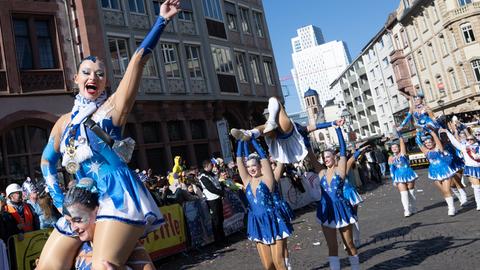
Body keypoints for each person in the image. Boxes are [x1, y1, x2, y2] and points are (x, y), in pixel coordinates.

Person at [37, 1, 180, 269]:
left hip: (115, 194)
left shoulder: (111, 111)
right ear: (76, 79)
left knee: (103, 266)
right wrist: (58, 200)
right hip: (81, 200)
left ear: (105, 82)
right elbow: (47, 161)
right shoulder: (63, 123)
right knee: (48, 265)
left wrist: (161, 21)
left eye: (101, 74)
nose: (94, 77)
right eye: (87, 72)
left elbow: (138, 60)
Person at [63, 178, 155, 270]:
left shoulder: (126, 245)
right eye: (69, 222)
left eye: (78, 220)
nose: (73, 228)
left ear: (97, 212)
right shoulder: (76, 248)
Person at [308, 119, 359, 270]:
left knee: (349, 244)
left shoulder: (340, 170)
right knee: (332, 246)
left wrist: (337, 129)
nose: (326, 160)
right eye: (324, 158)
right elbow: (311, 156)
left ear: (334, 158)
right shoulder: (322, 172)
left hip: (341, 209)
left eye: (328, 157)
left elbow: (343, 151)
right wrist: (305, 139)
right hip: (326, 210)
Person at [235, 138, 292, 270]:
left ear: (260, 165)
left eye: (253, 165)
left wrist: (252, 138)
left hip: (273, 221)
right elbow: (239, 162)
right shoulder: (247, 181)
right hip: (257, 223)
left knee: (279, 262)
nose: (250, 169)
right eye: (248, 166)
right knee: (268, 265)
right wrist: (240, 141)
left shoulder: (267, 179)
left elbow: (264, 157)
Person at [416, 130, 457, 216]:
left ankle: (451, 208)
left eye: (430, 142)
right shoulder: (426, 151)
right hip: (434, 172)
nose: (428, 144)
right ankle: (452, 204)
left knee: (446, 190)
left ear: (433, 142)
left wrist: (430, 131)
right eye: (426, 143)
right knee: (443, 191)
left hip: (445, 170)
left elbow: (436, 138)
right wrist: (418, 133)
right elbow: (419, 142)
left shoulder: (439, 148)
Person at [442, 127, 480, 210]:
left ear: (475, 139)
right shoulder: (464, 147)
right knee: (477, 187)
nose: (469, 141)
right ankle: (478, 204)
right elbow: (455, 142)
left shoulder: (479, 146)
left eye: (471, 139)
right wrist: (448, 132)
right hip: (471, 168)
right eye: (468, 139)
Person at [388, 131, 418, 217]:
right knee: (403, 193)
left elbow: (402, 145)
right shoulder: (390, 157)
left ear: (399, 148)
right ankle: (406, 210)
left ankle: (413, 207)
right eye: (392, 147)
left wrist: (400, 136)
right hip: (398, 176)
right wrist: (393, 180)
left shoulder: (402, 154)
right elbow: (391, 169)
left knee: (411, 193)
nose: (394, 148)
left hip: (408, 173)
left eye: (396, 147)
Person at [199, 159, 226, 246]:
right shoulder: (203, 177)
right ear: (206, 166)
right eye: (211, 165)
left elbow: (217, 184)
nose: (212, 166)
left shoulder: (212, 175)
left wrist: (222, 187)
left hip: (218, 198)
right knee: (215, 220)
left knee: (220, 218)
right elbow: (211, 188)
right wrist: (221, 192)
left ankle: (223, 237)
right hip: (212, 200)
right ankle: (217, 240)